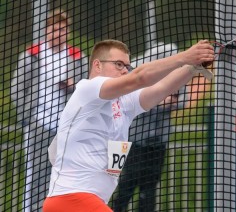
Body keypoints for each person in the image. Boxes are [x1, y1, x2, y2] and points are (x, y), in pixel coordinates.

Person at [42, 39, 214, 212]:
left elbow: (161, 88)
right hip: (71, 199)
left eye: (127, 66)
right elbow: (140, 77)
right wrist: (186, 56)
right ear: (97, 65)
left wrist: (193, 66)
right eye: (118, 64)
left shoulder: (123, 102)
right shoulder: (89, 88)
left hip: (90, 201)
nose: (124, 70)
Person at [10, 9, 88, 212]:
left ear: (68, 32)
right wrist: (26, 118)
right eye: (54, 30)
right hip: (38, 123)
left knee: (64, 176)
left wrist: (72, 86)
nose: (58, 34)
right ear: (46, 31)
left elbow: (86, 89)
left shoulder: (77, 56)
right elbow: (17, 89)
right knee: (34, 176)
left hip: (66, 127)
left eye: (62, 30)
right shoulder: (32, 55)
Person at [109, 43, 184, 212]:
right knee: (127, 184)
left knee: (150, 188)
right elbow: (133, 100)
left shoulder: (175, 77)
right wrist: (158, 101)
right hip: (136, 141)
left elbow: (183, 99)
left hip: (158, 142)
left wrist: (171, 102)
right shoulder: (141, 75)